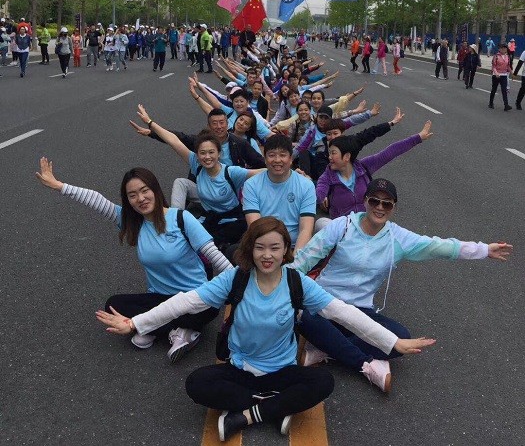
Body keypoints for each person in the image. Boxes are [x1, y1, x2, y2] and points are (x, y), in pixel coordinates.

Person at [96, 216, 435, 441]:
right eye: (260, 247)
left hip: (283, 370)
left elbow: (345, 314)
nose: (267, 255)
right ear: (250, 249)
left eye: (275, 247)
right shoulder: (236, 278)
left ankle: (245, 415)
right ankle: (273, 408)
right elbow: (185, 302)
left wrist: (393, 344)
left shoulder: (297, 283)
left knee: (323, 381)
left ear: (287, 251)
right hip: (241, 368)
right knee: (196, 384)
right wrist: (135, 323)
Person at [291, 178, 512, 391]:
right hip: (324, 303)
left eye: (387, 203)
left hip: (360, 310)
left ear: (393, 208)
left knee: (402, 337)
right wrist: (276, 285)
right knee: (303, 318)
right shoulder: (343, 226)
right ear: (365, 201)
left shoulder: (397, 238)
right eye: (374, 201)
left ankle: (327, 348)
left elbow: (438, 246)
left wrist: (483, 250)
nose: (380, 207)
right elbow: (306, 258)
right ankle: (365, 364)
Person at [36, 158, 232, 361]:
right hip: (160, 297)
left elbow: (215, 256)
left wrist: (242, 284)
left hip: (194, 297)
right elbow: (97, 200)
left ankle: (158, 329)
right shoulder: (132, 222)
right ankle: (179, 331)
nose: (141, 198)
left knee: (206, 309)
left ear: (155, 190)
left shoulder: (181, 218)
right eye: (132, 195)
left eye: (144, 190)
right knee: (113, 305)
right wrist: (59, 186)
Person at [135, 105, 264, 247]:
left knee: (214, 247)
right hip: (208, 211)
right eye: (202, 153)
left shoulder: (232, 170)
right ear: (197, 155)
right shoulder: (197, 163)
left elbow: (263, 171)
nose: (207, 157)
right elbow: (175, 140)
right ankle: (174, 221)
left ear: (219, 154)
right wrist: (150, 123)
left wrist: (287, 170)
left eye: (211, 153)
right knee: (191, 240)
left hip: (232, 219)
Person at [316, 115, 430, 223]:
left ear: (347, 156)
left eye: (333, 153)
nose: (329, 157)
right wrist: (319, 197)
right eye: (329, 153)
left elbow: (390, 152)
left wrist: (418, 137)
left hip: (369, 225)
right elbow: (317, 194)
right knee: (321, 223)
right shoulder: (326, 177)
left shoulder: (363, 167)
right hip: (344, 231)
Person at [243, 134, 316, 253]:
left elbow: (306, 229)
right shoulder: (251, 185)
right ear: (265, 159)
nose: (277, 160)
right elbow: (254, 226)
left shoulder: (306, 185)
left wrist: (295, 261)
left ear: (291, 158)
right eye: (272, 155)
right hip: (263, 246)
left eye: (283, 155)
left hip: (293, 247)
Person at [489, 43, 513, 111]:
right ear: (499, 49)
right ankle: (491, 103)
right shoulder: (496, 56)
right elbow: (493, 66)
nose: (503, 49)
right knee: (494, 89)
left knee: (504, 90)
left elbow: (508, 66)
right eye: (502, 48)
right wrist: (496, 73)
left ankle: (506, 105)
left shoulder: (507, 56)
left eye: (505, 48)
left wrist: (512, 73)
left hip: (504, 75)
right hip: (496, 75)